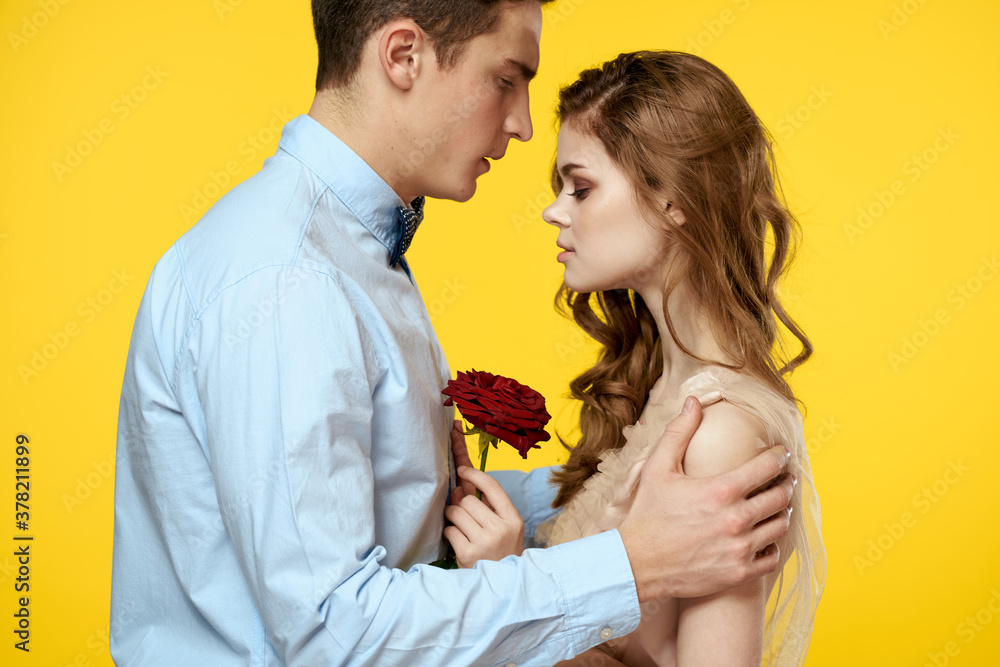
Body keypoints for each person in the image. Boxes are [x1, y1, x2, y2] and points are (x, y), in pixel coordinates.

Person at [110, 2, 797, 664]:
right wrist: (631, 561)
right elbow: (334, 635)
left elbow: (385, 515)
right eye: (506, 79)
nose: (522, 124)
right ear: (403, 56)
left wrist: (610, 489)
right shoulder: (289, 280)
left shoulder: (349, 250)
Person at [445, 51, 826, 666]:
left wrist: (513, 595)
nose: (554, 211)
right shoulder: (661, 388)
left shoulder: (718, 432)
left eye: (581, 187)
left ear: (674, 199)